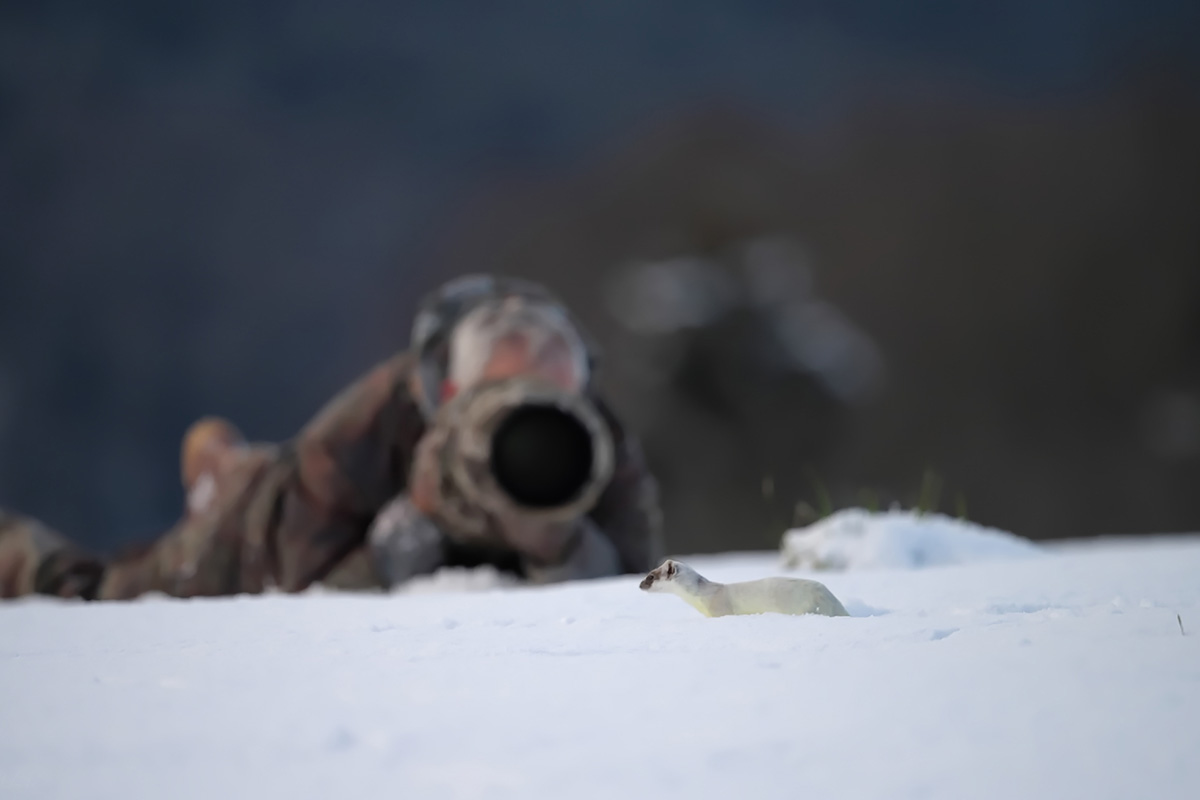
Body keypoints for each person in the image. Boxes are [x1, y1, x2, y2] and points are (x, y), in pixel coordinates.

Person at [0, 274, 664, 600]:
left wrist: (562, 544)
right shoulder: (378, 416)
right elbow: (288, 596)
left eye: (553, 400)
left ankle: (221, 466)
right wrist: (411, 531)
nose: (535, 430)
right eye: (503, 401)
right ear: (452, 398)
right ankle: (216, 480)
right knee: (114, 595)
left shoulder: (594, 439)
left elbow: (645, 593)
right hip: (259, 521)